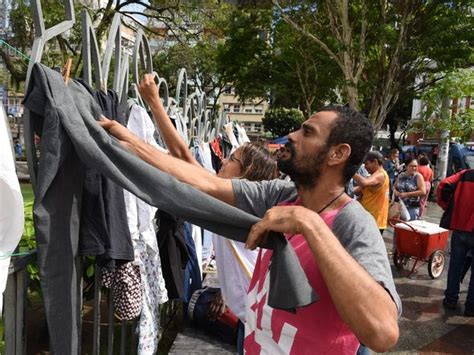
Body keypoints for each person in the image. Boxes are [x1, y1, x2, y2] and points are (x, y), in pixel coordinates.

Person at [100, 104, 401, 353]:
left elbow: (382, 333)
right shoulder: (282, 194)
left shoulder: (353, 223)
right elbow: (205, 182)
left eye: (307, 132)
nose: (292, 136)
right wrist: (130, 140)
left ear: (338, 154)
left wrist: (308, 224)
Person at [136, 74, 279, 353]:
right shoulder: (243, 206)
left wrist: (154, 102)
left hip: (262, 327)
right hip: (253, 321)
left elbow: (182, 156)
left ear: (246, 174)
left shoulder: (233, 206)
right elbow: (183, 156)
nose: (223, 159)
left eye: (232, 159)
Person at [436, 169, 474, 317]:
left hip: (460, 227)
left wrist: (448, 207)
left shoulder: (465, 174)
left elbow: (443, 185)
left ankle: (451, 299)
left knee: (455, 265)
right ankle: (471, 307)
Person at [353, 151, 390, 235]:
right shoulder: (373, 176)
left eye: (366, 164)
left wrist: (350, 171)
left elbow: (364, 183)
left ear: (375, 162)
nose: (365, 167)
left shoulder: (380, 175)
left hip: (375, 221)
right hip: (368, 219)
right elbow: (359, 189)